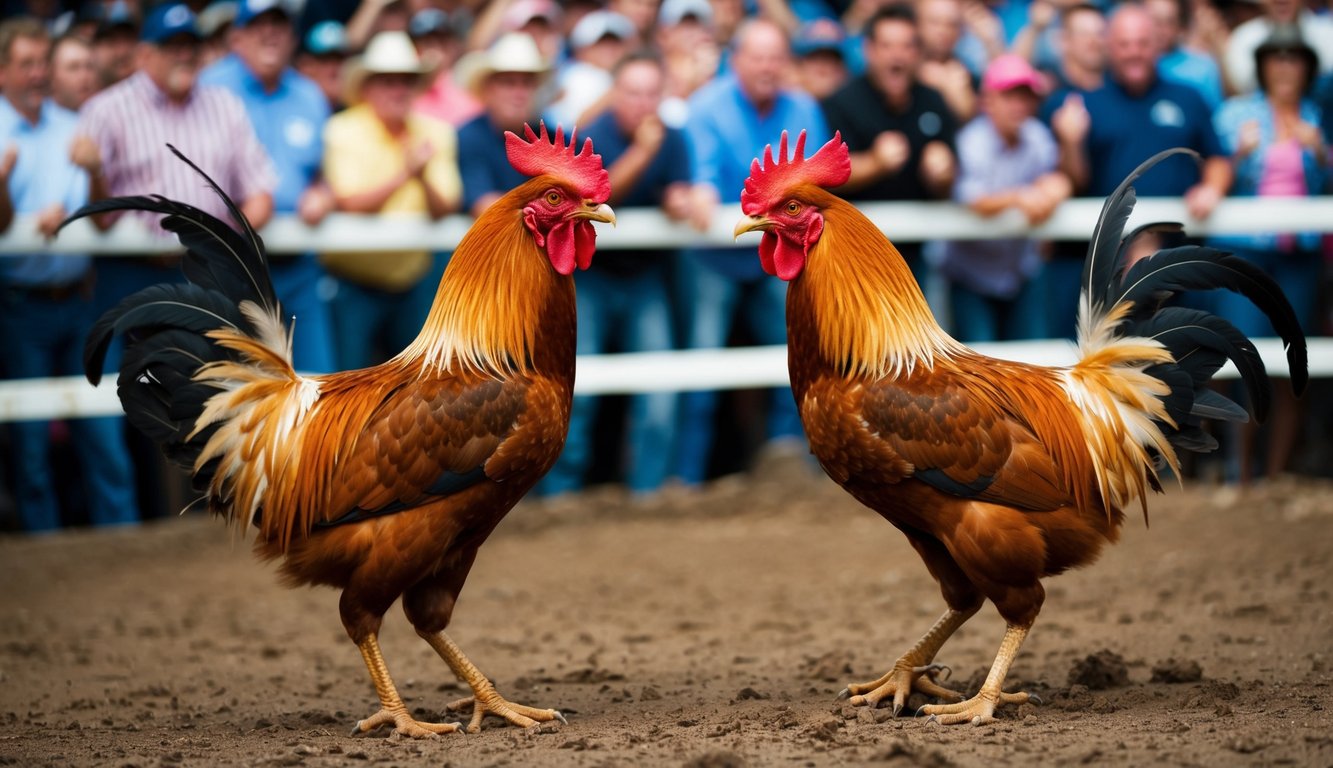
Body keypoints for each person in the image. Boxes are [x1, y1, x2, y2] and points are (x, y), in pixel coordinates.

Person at [70, 2, 276, 521]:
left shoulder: (224, 105)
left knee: (215, 394)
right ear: (145, 54)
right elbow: (99, 219)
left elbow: (259, 193)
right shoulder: (107, 108)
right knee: (132, 398)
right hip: (131, 273)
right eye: (170, 47)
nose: (182, 56)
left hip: (202, 274)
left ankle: (217, 512)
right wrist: (94, 175)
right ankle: (130, 523)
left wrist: (229, 243)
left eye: (189, 47)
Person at [677, 18, 829, 486]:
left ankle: (795, 471)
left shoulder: (804, 107)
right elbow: (698, 176)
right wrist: (700, 193)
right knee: (700, 373)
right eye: (757, 56)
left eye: (775, 57)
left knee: (800, 363)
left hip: (777, 256)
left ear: (786, 63)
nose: (766, 66)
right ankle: (685, 481)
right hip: (714, 257)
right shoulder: (704, 107)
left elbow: (818, 179)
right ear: (736, 60)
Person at [0, 17, 138, 532]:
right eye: (27, 64)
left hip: (81, 301)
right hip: (21, 304)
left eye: (42, 63)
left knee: (104, 436)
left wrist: (96, 170)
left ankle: (121, 546)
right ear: (3, 72)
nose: (37, 74)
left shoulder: (72, 129)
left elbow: (103, 218)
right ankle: (44, 559)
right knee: (32, 446)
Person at [543, 52, 691, 500]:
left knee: (659, 389)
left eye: (651, 94)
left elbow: (682, 186)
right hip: (588, 279)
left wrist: (682, 199)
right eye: (632, 93)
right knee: (577, 391)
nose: (643, 104)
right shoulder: (588, 139)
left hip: (644, 278)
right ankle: (560, 496)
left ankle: (647, 492)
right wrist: (644, 152)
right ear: (614, 95)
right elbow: (596, 195)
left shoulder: (675, 139)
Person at [1211, 25, 1325, 484]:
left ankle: (1274, 476)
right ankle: (1241, 473)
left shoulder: (1317, 116)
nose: (1284, 67)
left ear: (1306, 68)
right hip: (1247, 252)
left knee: (1290, 365)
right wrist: (1237, 155)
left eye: (1293, 58)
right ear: (1262, 66)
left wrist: (1322, 153)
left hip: (1299, 253)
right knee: (1241, 358)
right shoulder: (1237, 114)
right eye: (1275, 58)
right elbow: (1212, 170)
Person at [199, 0, 337, 373]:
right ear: (237, 36)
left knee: (317, 386)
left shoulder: (309, 94)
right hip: (232, 265)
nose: (271, 33)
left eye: (279, 24)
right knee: (235, 394)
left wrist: (322, 193)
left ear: (293, 37)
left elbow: (321, 173)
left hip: (297, 266)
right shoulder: (210, 87)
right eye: (259, 24)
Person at [320, 30, 462, 370]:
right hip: (354, 283)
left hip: (414, 280)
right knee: (348, 384)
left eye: (406, 81)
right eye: (387, 81)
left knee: (417, 388)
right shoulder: (342, 129)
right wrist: (407, 172)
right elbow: (350, 201)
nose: (398, 90)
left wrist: (421, 175)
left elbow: (447, 206)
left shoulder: (437, 131)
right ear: (367, 87)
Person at [820, 5, 958, 283]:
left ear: (918, 53)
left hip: (918, 252)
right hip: (855, 254)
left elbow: (949, 185)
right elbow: (827, 178)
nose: (897, 56)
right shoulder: (842, 102)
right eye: (887, 46)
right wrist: (876, 163)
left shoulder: (933, 100)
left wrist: (941, 174)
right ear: (868, 50)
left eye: (906, 46)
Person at [939, 55, 1070, 342]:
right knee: (978, 372)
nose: (1019, 105)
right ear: (988, 101)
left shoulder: (1036, 136)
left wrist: (1055, 189)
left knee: (1032, 365)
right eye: (1010, 96)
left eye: (1026, 97)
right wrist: (1021, 198)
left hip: (1019, 270)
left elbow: (1057, 178)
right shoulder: (972, 140)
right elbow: (973, 200)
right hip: (970, 275)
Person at [455, 31, 549, 217]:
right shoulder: (468, 137)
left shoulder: (551, 136)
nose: (519, 93)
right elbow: (484, 206)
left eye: (527, 83)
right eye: (508, 83)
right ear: (488, 90)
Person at [545, 10, 636, 128]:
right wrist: (614, 94)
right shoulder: (574, 76)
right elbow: (570, 129)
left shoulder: (630, 75)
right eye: (601, 44)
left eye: (615, 43)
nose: (610, 50)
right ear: (582, 49)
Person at [1224, 0, 1333, 95]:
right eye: (1278, 59)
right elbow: (1239, 92)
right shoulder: (1242, 39)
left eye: (1293, 59)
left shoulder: (1329, 34)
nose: (1285, 68)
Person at [408, 8, 481, 129]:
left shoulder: (467, 90)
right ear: (414, 48)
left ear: (453, 47)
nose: (435, 51)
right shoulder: (400, 89)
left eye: (442, 43)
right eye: (427, 43)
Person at [1146, 0, 1224, 110]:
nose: (1161, 30)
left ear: (1179, 26)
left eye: (1169, 22)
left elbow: (1214, 113)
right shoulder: (1133, 67)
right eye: (1156, 21)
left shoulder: (1202, 67)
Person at [916, 0, 978, 120]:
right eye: (935, 22)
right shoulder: (904, 65)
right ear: (918, 24)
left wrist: (950, 89)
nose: (943, 30)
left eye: (952, 24)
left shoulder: (965, 72)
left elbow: (969, 119)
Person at [295, 20, 350, 113]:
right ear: (306, 67)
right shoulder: (296, 110)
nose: (334, 68)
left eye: (340, 59)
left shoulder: (358, 111)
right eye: (325, 60)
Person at [49, 33, 97, 111]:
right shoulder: (34, 119)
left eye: (89, 66)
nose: (84, 76)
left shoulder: (108, 115)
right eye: (73, 68)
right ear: (52, 75)